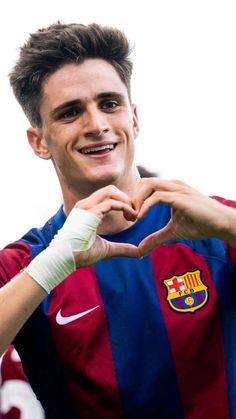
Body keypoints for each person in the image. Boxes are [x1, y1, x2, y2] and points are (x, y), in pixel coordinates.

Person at [0, 22, 236, 419]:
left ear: (135, 118)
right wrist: (50, 267)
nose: (96, 125)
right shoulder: (26, 263)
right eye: (70, 112)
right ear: (39, 141)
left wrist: (230, 226)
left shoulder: (215, 223)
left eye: (109, 103)